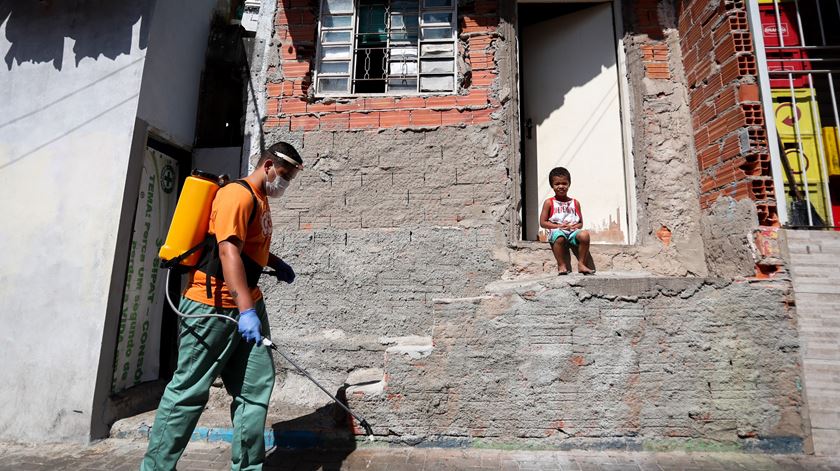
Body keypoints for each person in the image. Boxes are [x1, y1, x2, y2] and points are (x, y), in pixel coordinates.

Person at [141, 142, 304, 471]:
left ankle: (247, 466)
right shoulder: (237, 195)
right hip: (211, 308)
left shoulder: (260, 199)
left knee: (255, 390)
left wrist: (274, 262)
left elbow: (248, 245)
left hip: (248, 303)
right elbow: (228, 252)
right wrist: (245, 312)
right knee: (189, 392)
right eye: (284, 175)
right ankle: (156, 467)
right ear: (268, 165)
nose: (284, 184)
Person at [539, 167, 594, 275]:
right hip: (557, 231)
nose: (561, 186)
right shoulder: (549, 202)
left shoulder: (575, 203)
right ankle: (561, 265)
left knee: (585, 235)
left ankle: (582, 264)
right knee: (559, 238)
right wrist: (558, 227)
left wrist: (572, 227)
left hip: (572, 231)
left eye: (564, 183)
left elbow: (580, 223)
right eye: (557, 184)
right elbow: (543, 223)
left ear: (569, 184)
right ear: (552, 186)